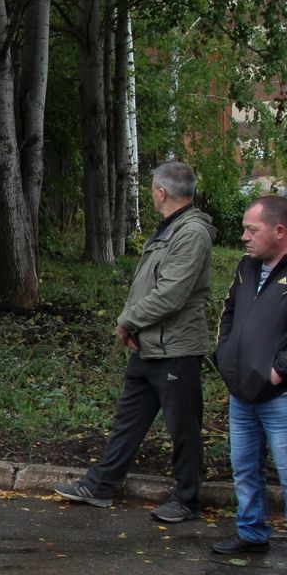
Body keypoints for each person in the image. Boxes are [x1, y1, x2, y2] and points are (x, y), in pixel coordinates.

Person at [54, 160, 216, 522]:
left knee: (183, 427)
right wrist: (135, 328)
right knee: (128, 421)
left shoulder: (190, 233)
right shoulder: (169, 228)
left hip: (175, 349)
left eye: (152, 191)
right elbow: (149, 286)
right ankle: (101, 485)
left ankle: (187, 499)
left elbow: (171, 293)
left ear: (161, 192)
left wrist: (127, 321)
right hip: (148, 346)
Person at [209, 195, 287, 575]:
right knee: (244, 468)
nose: (245, 237)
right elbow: (228, 312)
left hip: (285, 395)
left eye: (252, 229)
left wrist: (282, 370)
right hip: (241, 390)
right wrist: (224, 356)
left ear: (279, 231)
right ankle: (252, 532)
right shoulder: (247, 267)